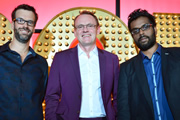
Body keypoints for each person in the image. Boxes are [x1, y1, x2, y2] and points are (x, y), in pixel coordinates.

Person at [45, 11, 119, 120]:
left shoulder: (111, 59)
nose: (85, 30)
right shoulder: (60, 58)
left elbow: (119, 96)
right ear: (75, 32)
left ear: (98, 29)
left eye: (90, 26)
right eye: (80, 26)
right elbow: (52, 96)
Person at [117, 8, 180, 120]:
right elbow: (124, 110)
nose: (141, 32)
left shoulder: (177, 56)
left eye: (145, 27)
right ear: (132, 36)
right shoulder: (126, 69)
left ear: (155, 29)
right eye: (135, 30)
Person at [0, 4, 48, 120]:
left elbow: (41, 96)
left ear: (34, 26)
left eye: (30, 22)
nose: (25, 25)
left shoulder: (41, 63)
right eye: (20, 21)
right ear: (13, 24)